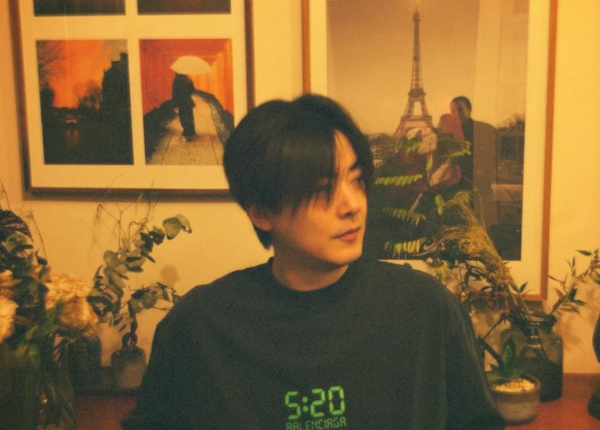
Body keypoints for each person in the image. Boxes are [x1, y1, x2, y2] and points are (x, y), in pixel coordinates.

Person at [121, 94, 505, 430]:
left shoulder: (425, 309)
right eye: (323, 189)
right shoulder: (198, 326)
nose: (352, 205)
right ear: (261, 211)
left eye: (356, 180)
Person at [450, 96, 499, 227]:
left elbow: (490, 156)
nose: (456, 114)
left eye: (460, 109)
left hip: (478, 183)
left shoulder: (482, 130)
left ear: (469, 109)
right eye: (453, 111)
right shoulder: (449, 133)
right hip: (458, 185)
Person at [172, 73, 196, 142]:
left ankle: (186, 134)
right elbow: (193, 90)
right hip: (188, 101)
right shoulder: (188, 80)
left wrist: (174, 104)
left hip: (181, 102)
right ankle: (190, 132)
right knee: (189, 117)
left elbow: (174, 93)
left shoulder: (176, 80)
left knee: (183, 117)